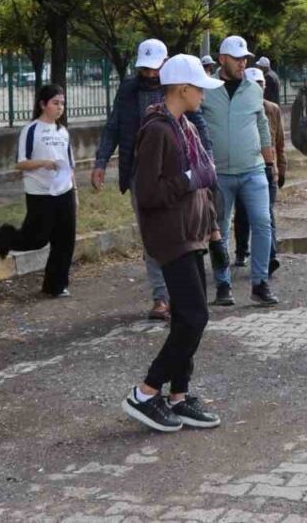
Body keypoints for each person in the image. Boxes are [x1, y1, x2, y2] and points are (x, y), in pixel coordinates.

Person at [121, 55, 224, 433]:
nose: (203, 96)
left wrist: (213, 229)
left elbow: (203, 182)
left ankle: (179, 396)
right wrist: (187, 178)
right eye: (199, 88)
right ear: (182, 88)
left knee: (186, 317)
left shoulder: (186, 127)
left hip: (192, 233)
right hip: (171, 237)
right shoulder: (158, 130)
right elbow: (147, 193)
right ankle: (146, 391)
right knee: (195, 317)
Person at [92, 39, 211, 323]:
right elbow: (114, 126)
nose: (149, 75)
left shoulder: (178, 90)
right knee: (153, 235)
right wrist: (100, 162)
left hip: (177, 172)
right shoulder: (129, 90)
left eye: (154, 68)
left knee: (180, 232)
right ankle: (161, 297)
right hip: (140, 173)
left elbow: (199, 125)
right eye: (144, 69)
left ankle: (185, 293)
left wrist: (207, 165)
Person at [203, 36, 279, 307]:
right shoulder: (207, 90)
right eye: (237, 58)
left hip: (253, 170)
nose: (242, 63)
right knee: (219, 229)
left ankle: (260, 282)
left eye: (245, 58)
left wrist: (270, 165)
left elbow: (262, 127)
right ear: (222, 59)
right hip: (219, 174)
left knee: (262, 222)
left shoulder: (254, 89)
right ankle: (223, 285)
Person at [0, 85, 78, 297]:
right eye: (55, 103)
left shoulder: (63, 132)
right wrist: (43, 163)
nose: (60, 108)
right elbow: (20, 164)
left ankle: (56, 285)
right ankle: (6, 237)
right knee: (37, 238)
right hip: (40, 194)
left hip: (63, 192)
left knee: (65, 241)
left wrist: (74, 193)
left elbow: (69, 166)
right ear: (42, 104)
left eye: (62, 103)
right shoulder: (31, 130)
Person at [233, 67, 286, 275]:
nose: (258, 88)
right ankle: (241, 251)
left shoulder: (272, 109)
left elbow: (279, 142)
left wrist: (281, 168)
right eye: (253, 84)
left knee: (266, 215)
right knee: (243, 214)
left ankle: (269, 257)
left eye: (261, 84)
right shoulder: (238, 107)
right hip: (244, 168)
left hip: (267, 167)